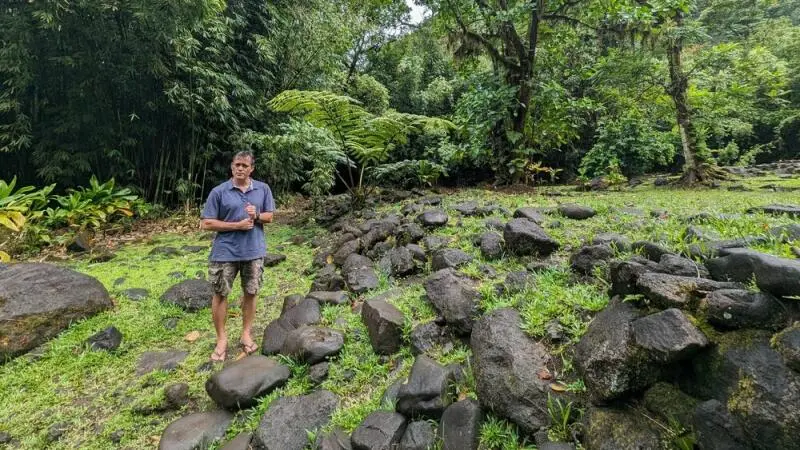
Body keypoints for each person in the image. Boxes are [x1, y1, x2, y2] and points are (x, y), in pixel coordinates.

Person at [200, 151, 274, 362]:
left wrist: (256, 216)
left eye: (245, 165)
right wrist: (237, 225)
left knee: (251, 292)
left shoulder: (263, 189)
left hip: (254, 251)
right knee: (220, 294)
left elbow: (270, 216)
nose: (240, 168)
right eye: (237, 165)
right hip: (225, 252)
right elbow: (207, 223)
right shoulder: (219, 192)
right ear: (232, 167)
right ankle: (221, 339)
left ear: (252, 169)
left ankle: (246, 333)